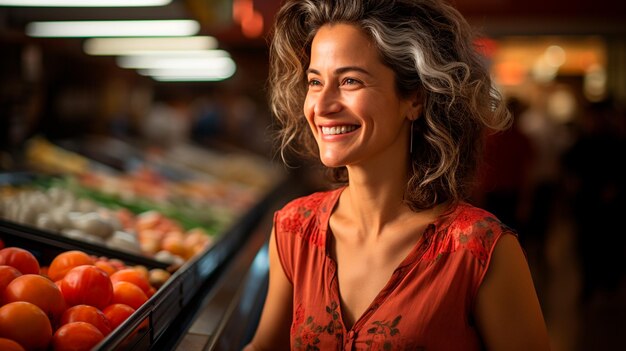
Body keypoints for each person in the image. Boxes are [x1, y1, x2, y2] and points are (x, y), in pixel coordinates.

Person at [244, 0, 550, 350]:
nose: (323, 105)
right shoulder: (294, 229)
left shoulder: (479, 250)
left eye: (349, 80)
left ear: (415, 99)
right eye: (315, 82)